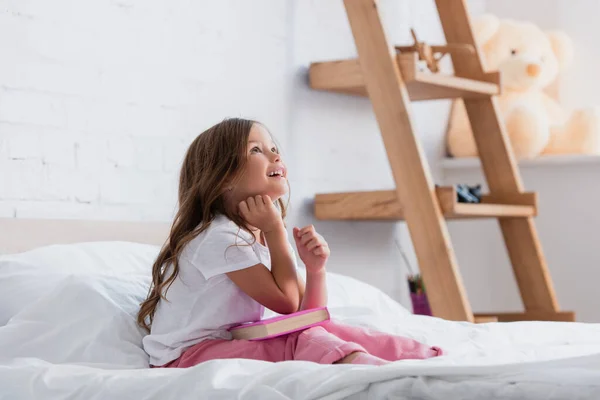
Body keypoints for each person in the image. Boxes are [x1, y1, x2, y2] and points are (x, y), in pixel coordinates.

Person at [137, 118, 443, 368]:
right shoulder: (218, 237)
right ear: (223, 178)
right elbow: (285, 304)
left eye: (273, 147)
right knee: (300, 343)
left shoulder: (250, 233)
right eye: (257, 150)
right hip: (188, 357)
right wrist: (275, 231)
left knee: (326, 331)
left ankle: (420, 358)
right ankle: (365, 368)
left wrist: (315, 269)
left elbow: (306, 315)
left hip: (226, 343)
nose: (275, 156)